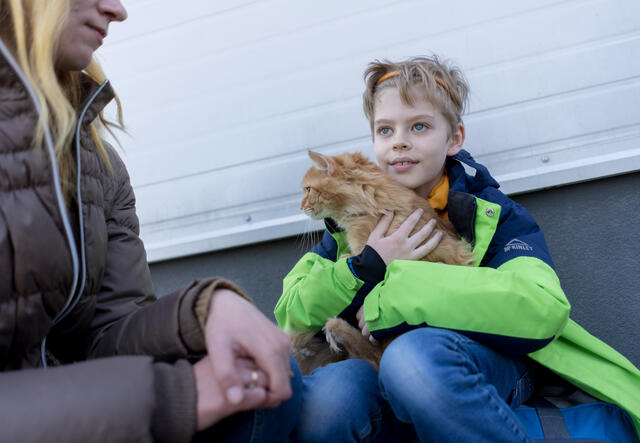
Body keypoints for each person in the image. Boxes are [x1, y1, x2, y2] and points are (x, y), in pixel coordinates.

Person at [274, 56, 640, 442]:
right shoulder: (344, 220)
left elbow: (541, 306)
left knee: (413, 363)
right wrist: (366, 265)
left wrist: (395, 294)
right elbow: (289, 317)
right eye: (385, 130)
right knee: (328, 401)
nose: (399, 140)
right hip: (374, 364)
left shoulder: (491, 214)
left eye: (419, 126)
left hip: (483, 360)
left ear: (454, 139)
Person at [0, 1, 301, 442]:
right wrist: (169, 398)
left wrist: (203, 310)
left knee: (290, 384)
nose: (117, 10)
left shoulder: (95, 161)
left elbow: (104, 336)